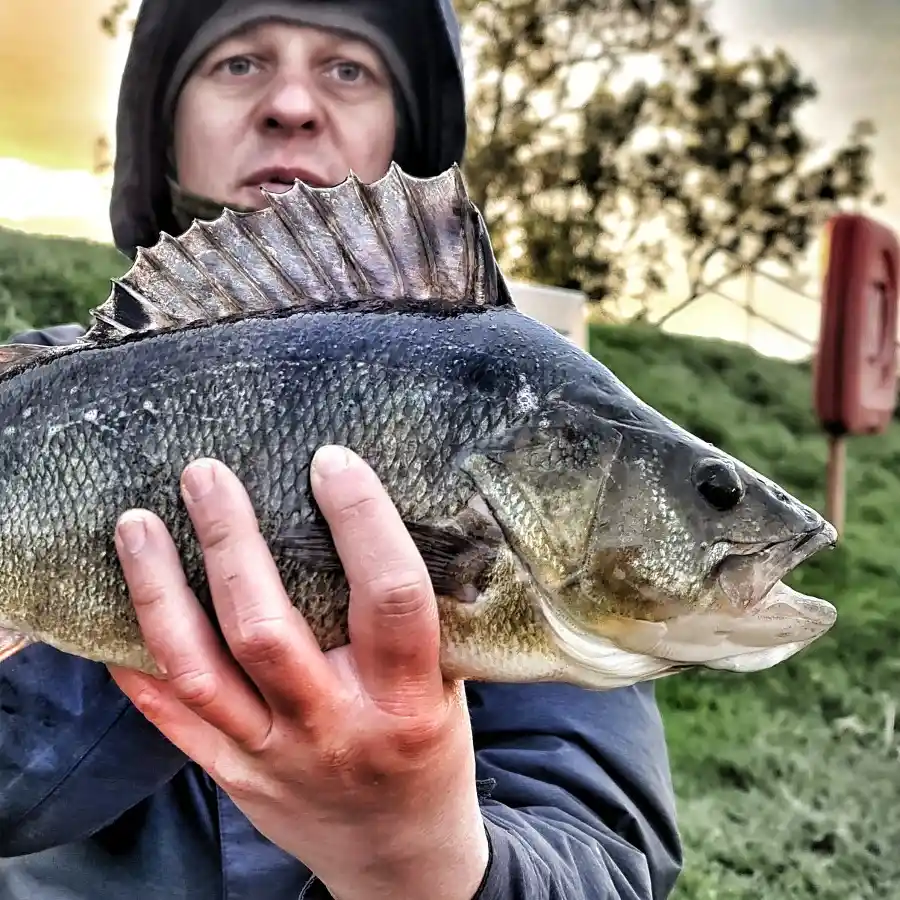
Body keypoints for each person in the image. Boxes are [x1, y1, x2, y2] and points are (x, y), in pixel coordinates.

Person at [0, 1, 684, 898]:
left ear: (410, 130)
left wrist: (417, 856)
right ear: (161, 124)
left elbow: (602, 845)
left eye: (348, 69)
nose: (291, 103)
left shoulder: (529, 422)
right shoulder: (34, 399)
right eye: (239, 62)